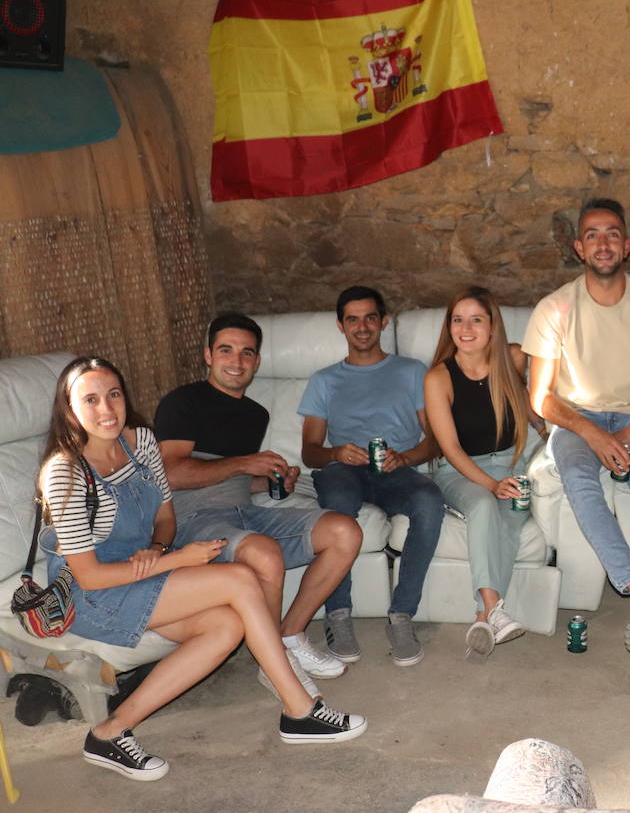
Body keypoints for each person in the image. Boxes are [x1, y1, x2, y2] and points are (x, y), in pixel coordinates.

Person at [39, 358, 366, 781]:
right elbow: (90, 578)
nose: (107, 409)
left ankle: (108, 733)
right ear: (69, 410)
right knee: (241, 579)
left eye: (114, 394)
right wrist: (175, 558)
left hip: (144, 569)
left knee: (226, 627)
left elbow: (166, 519)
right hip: (95, 595)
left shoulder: (140, 443)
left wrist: (158, 548)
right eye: (91, 399)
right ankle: (299, 709)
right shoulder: (63, 473)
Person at [525, 197, 630, 682]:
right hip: (577, 420)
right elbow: (542, 398)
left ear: (628, 245)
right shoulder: (555, 308)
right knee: (579, 476)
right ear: (579, 247)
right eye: (593, 235)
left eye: (613, 233)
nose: (604, 243)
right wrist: (594, 434)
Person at [155, 314, 363, 693]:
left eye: (247, 353)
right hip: (192, 522)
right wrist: (242, 463)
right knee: (265, 553)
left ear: (258, 362)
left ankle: (290, 634)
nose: (237, 361)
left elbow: (232, 480)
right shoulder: (183, 402)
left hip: (242, 513)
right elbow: (169, 474)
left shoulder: (255, 414)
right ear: (208, 355)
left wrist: (269, 480)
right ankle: (274, 666)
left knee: (344, 530)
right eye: (226, 350)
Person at [301, 286, 444, 667]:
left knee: (430, 500)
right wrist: (335, 452)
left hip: (397, 471)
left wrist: (406, 457)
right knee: (339, 503)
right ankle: (338, 614)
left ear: (384, 322)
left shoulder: (412, 371)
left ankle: (401, 616)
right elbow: (309, 452)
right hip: (344, 470)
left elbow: (435, 441)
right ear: (340, 325)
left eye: (369, 318)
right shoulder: (324, 380)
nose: (362, 327)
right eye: (352, 319)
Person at [423, 286, 546, 661]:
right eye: (458, 319)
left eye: (477, 319)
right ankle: (494, 609)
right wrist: (491, 485)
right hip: (460, 471)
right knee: (482, 505)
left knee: (508, 523)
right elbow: (451, 449)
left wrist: (548, 429)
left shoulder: (513, 358)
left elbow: (524, 400)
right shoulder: (438, 378)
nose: (466, 327)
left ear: (492, 326)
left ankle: (484, 615)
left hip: (512, 462)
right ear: (449, 327)